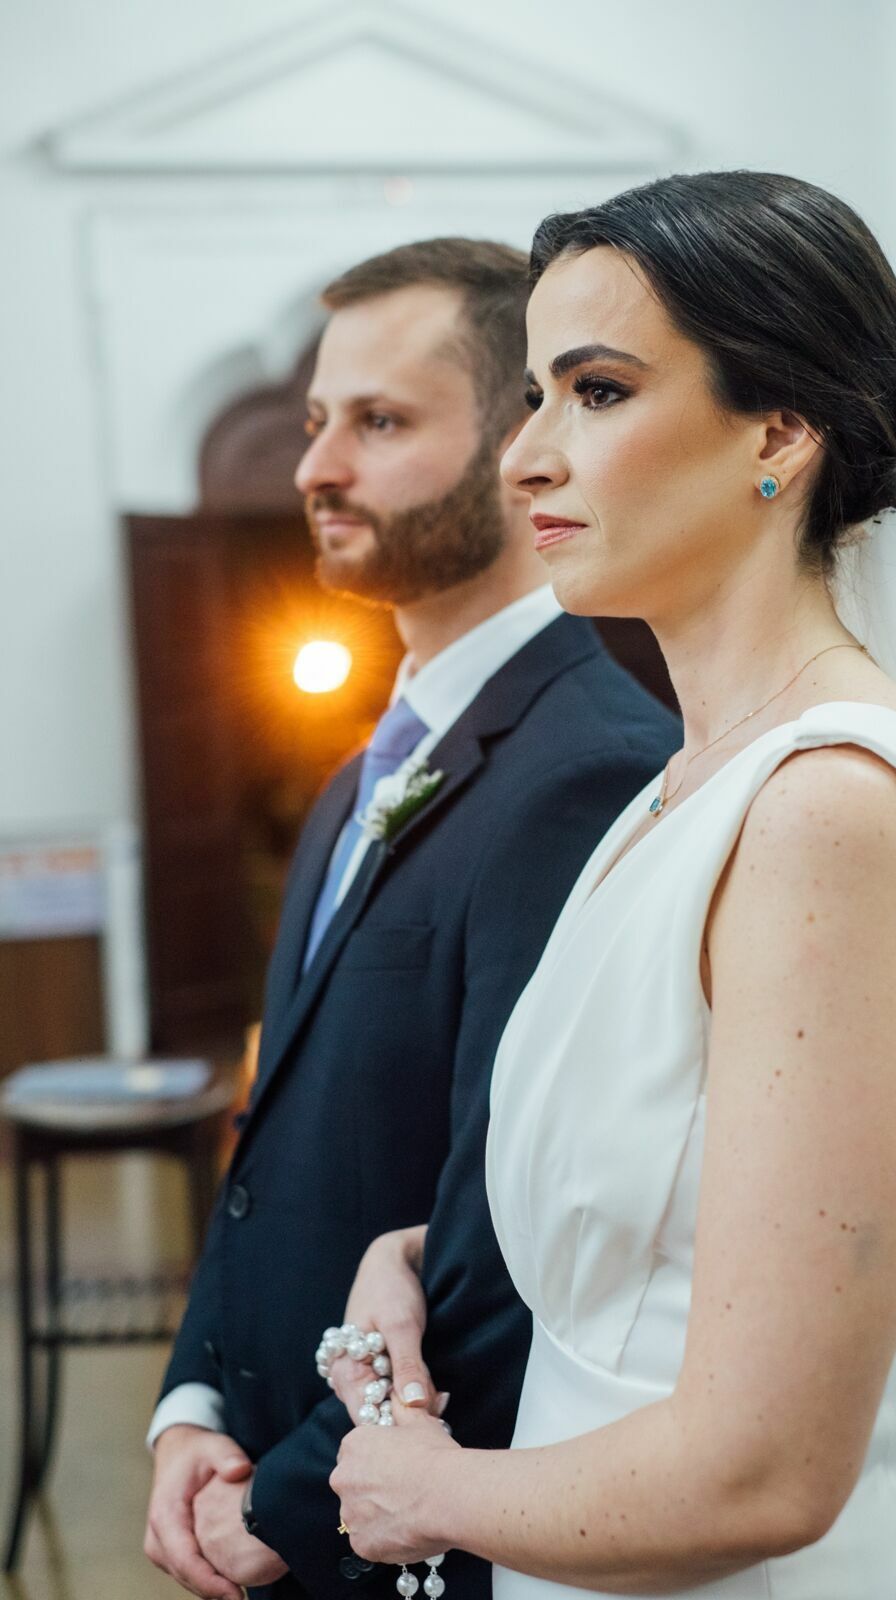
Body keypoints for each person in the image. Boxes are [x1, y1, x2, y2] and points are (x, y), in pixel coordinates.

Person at [330, 174, 896, 1598]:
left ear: (776, 434)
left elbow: (768, 1466)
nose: (525, 458)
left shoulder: (826, 815)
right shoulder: (693, 782)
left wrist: (428, 1488)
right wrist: (414, 1255)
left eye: (594, 392)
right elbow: (693, 1203)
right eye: (534, 397)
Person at [143, 236, 678, 1600]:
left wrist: (290, 1495)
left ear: (523, 441)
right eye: (319, 421)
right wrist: (193, 1409)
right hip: (273, 1461)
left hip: (398, 1522)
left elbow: (513, 1224)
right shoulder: (353, 780)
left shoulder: (593, 767)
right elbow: (271, 1138)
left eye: (378, 423)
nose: (316, 466)